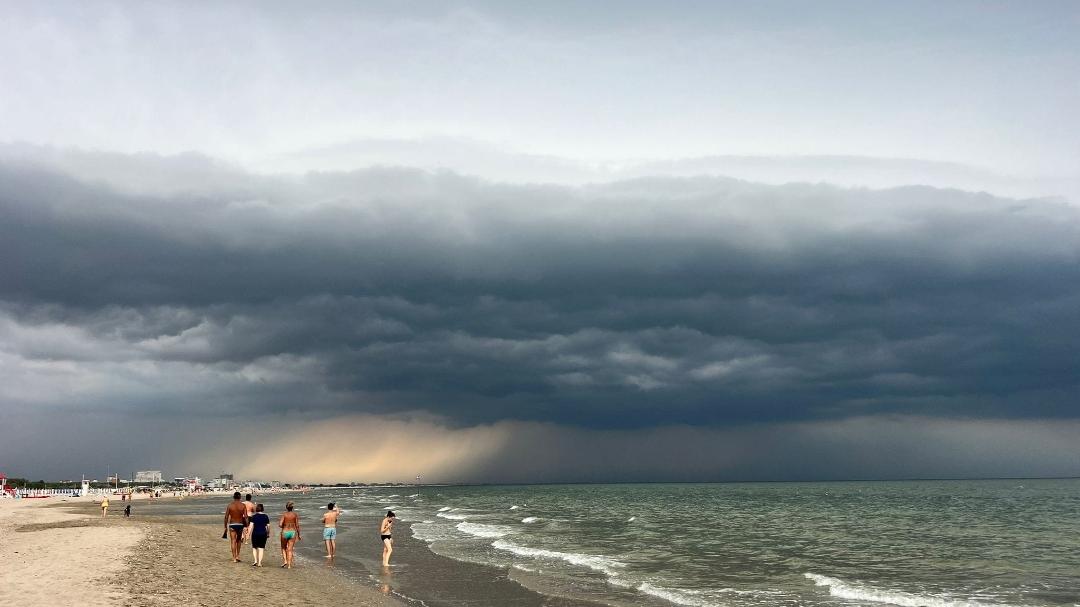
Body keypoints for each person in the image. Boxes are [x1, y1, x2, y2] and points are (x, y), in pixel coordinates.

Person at [223, 491, 248, 563]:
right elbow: (246, 517)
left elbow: (226, 517)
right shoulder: (243, 505)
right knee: (239, 540)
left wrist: (225, 526)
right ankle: (238, 556)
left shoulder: (230, 505)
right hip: (240, 524)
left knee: (233, 541)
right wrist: (247, 525)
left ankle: (234, 558)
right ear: (240, 497)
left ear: (233, 497)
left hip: (232, 524)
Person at [279, 501, 301, 568]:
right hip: (292, 532)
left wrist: (284, 525)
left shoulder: (284, 515)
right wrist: (299, 534)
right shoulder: (295, 515)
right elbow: (297, 526)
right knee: (290, 549)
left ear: (286, 507)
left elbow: (280, 524)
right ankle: (289, 565)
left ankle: (285, 561)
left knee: (283, 547)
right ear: (292, 508)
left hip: (285, 531)